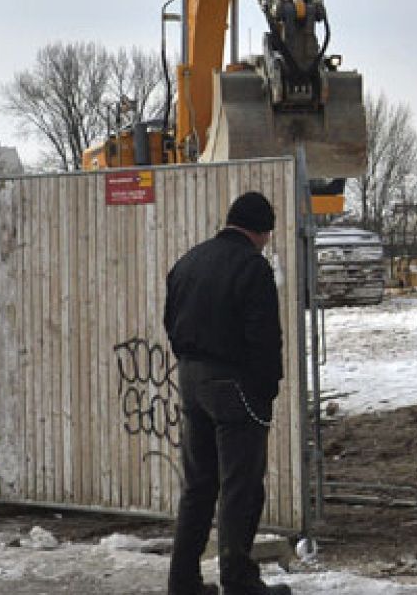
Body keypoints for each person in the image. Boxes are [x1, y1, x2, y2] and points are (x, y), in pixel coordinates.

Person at [164, 191, 290, 595]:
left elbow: (171, 321)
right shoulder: (252, 267)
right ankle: (239, 581)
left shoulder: (189, 261)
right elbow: (265, 338)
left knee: (199, 486)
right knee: (242, 486)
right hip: (235, 386)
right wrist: (266, 391)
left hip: (190, 379)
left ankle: (183, 581)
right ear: (261, 231)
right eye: (267, 235)